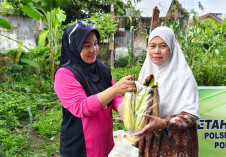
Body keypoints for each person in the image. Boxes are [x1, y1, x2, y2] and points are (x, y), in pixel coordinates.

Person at [54, 20, 136, 157]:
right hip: (80, 147)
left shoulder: (102, 69)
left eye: (95, 44)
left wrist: (123, 109)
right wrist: (116, 89)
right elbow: (81, 107)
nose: (93, 50)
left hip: (104, 142)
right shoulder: (65, 74)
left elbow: (115, 97)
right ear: (74, 47)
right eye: (87, 46)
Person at [134, 26, 199, 157]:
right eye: (152, 46)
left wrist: (164, 123)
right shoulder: (146, 72)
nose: (156, 51)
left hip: (175, 142)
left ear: (171, 47)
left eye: (163, 46)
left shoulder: (183, 76)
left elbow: (191, 115)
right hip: (149, 140)